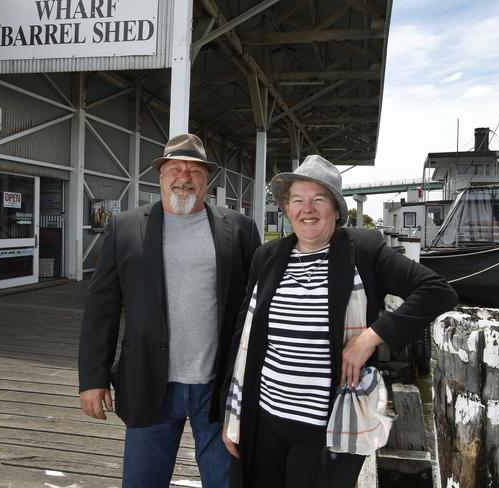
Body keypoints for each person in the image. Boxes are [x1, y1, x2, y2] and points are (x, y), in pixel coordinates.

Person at [222, 155, 457, 487]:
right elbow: (241, 337)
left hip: (326, 429)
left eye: (319, 199)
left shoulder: (363, 251)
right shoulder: (268, 257)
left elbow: (437, 291)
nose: (308, 209)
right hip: (264, 422)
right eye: (298, 200)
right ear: (287, 209)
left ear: (335, 208)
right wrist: (233, 416)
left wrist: (371, 337)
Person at [78, 133, 261, 487]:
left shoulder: (239, 228)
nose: (184, 176)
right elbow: (102, 305)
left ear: (207, 179)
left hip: (218, 386)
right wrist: (93, 378)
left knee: (227, 482)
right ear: (160, 176)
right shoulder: (127, 227)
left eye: (194, 170)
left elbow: (257, 306)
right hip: (150, 382)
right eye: (175, 168)